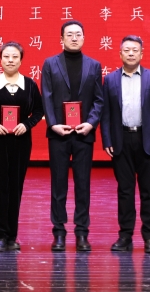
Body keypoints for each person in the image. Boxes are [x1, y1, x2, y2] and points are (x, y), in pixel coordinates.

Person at [101, 35, 150, 254]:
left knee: (148, 191)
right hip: (121, 140)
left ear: (141, 53)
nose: (131, 53)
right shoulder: (110, 79)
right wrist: (107, 140)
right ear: (120, 54)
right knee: (125, 191)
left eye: (135, 50)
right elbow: (106, 114)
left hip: (146, 140)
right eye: (127, 50)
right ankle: (125, 236)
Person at [41, 20, 103, 252]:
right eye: (69, 34)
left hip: (83, 133)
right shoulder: (50, 63)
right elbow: (46, 96)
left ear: (84, 38)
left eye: (78, 34)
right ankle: (58, 232)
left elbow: (98, 99)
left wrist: (91, 123)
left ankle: (82, 232)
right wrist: (53, 124)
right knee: (58, 185)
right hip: (59, 133)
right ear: (62, 39)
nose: (74, 38)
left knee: (82, 185)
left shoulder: (94, 65)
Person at [0, 41, 45, 252]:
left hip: (20, 141)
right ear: (0, 60)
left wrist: (27, 125)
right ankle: (0, 235)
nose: (10, 60)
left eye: (15, 57)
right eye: (6, 56)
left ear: (21, 60)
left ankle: (12, 236)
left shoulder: (30, 85)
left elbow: (39, 111)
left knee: (15, 187)